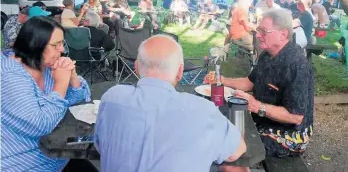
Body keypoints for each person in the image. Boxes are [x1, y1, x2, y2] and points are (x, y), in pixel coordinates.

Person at [95, 35, 246, 172]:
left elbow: (101, 145)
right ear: (180, 72)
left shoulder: (112, 98)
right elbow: (236, 151)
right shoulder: (202, 110)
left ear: (136, 67)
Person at [206, 9, 314, 171]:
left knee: (230, 154)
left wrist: (256, 106)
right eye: (258, 30)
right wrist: (222, 81)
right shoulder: (267, 54)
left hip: (289, 135)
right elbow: (250, 83)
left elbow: (296, 117)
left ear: (283, 34)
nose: (257, 35)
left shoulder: (297, 65)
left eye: (264, 31)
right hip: (262, 122)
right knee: (219, 130)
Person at [1, 16, 93, 172]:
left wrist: (73, 79)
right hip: (23, 163)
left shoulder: (48, 66)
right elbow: (40, 124)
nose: (62, 50)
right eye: (56, 44)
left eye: (62, 43)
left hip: (58, 156)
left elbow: (80, 109)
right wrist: (61, 84)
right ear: (34, 45)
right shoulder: (9, 75)